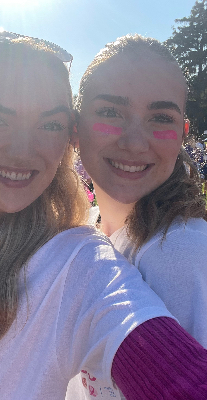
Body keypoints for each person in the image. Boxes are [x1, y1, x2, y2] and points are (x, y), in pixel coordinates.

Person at [0, 30, 207, 400]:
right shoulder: (96, 226)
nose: (22, 150)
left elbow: (179, 379)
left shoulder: (83, 262)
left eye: (48, 124)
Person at [68, 34, 207, 399]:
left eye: (160, 117)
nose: (134, 142)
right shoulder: (85, 230)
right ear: (75, 126)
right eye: (111, 112)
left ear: (181, 135)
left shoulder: (178, 250)